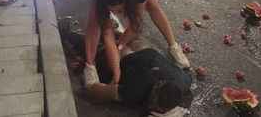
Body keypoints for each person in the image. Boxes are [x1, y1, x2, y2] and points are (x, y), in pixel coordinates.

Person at [82, 0, 190, 90]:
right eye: (112, 11)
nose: (116, 14)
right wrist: (117, 75)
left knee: (152, 5)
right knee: (95, 21)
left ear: (128, 1)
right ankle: (89, 66)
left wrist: (120, 45)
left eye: (119, 10)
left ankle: (173, 46)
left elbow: (136, 24)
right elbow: (106, 33)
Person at [59, 19, 191, 116]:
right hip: (125, 60)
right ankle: (68, 34)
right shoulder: (134, 91)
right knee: (94, 50)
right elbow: (94, 91)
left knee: (131, 45)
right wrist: (90, 67)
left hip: (145, 53)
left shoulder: (183, 81)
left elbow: (187, 71)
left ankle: (111, 33)